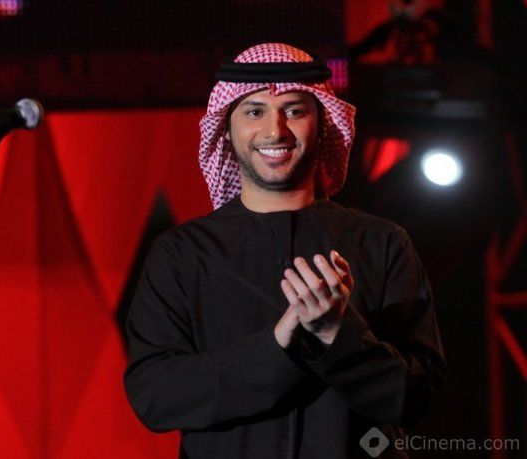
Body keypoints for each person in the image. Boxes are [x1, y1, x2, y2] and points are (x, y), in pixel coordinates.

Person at [123, 43, 446, 459]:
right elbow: (156, 397)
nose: (275, 131)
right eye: (254, 112)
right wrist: (277, 346)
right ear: (226, 129)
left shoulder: (380, 243)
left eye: (293, 110)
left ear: (323, 125)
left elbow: (417, 397)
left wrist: (336, 333)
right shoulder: (183, 255)